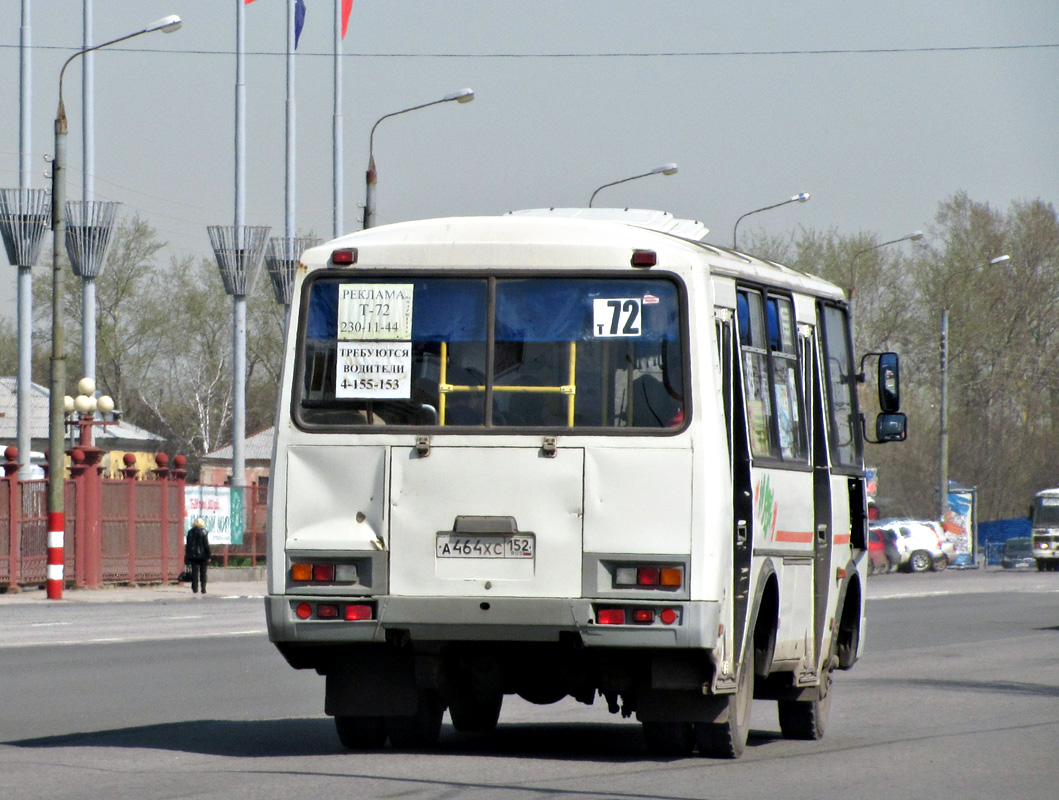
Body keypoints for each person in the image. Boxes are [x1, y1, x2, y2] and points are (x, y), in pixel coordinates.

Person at [184, 517, 212, 594]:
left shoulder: (190, 532)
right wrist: (209, 555)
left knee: (194, 572)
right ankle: (203, 588)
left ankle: (195, 588)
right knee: (203, 572)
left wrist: (187, 556)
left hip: (193, 555)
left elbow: (188, 545)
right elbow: (206, 545)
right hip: (203, 556)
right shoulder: (203, 532)